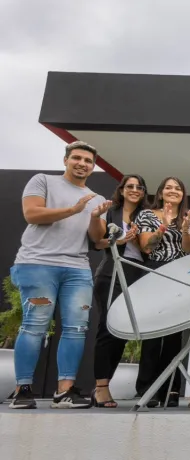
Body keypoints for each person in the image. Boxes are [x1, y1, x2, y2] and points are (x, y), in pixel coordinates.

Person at [9, 141, 109, 409]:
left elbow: (96, 239)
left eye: (88, 161)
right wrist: (73, 210)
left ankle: (64, 391)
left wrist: (95, 218)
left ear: (93, 166)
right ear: (66, 160)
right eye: (77, 158)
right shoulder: (43, 180)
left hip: (77, 268)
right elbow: (32, 214)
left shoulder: (97, 199)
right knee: (35, 325)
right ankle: (22, 391)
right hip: (38, 263)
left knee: (77, 328)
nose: (82, 164)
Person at [136, 177, 190, 407]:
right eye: (168, 187)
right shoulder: (147, 215)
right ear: (161, 192)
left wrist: (185, 230)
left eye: (178, 188)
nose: (173, 191)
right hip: (155, 271)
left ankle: (171, 388)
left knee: (175, 333)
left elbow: (188, 250)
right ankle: (147, 389)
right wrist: (162, 228)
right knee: (153, 331)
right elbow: (147, 247)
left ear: (183, 194)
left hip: (181, 273)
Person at [90, 174, 148, 408]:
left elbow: (150, 247)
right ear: (122, 190)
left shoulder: (145, 215)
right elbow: (97, 242)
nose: (134, 190)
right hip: (111, 272)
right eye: (129, 186)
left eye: (139, 187)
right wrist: (119, 241)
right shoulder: (110, 211)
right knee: (108, 327)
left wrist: (137, 240)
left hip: (136, 275)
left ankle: (105, 385)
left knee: (122, 332)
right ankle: (101, 387)